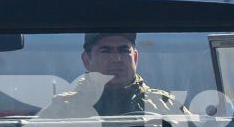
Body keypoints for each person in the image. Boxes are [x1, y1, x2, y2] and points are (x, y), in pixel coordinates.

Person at [43, 32, 184, 117]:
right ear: (86, 60)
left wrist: (206, 122)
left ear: (135, 58)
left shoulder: (167, 106)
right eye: (106, 51)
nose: (117, 59)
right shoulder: (61, 110)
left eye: (124, 51)